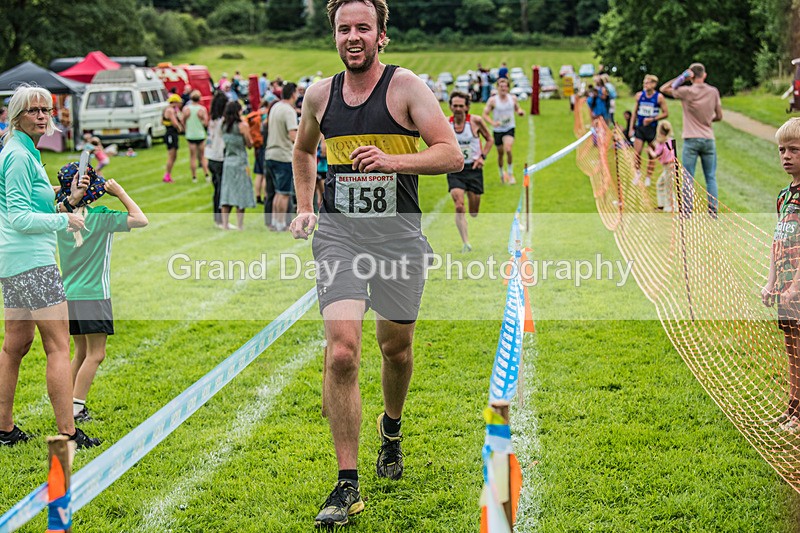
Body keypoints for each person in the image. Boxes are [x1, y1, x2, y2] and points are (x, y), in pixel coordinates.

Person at [290, 0, 462, 527]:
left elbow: (451, 154)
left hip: (398, 240)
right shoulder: (320, 95)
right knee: (342, 352)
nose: (353, 36)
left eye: (364, 27)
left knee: (397, 349)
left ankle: (391, 429)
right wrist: (304, 208)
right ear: (335, 36)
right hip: (340, 235)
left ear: (381, 35)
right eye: (344, 28)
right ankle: (347, 486)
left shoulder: (406, 88)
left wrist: (394, 161)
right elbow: (302, 153)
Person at [0, 85, 98, 448]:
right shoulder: (19, 156)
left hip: (16, 262)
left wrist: (66, 203)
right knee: (58, 347)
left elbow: (32, 211)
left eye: (46, 110)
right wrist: (65, 222)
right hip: (33, 262)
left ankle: (4, 429)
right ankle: (68, 432)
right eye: (33, 110)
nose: (42, 116)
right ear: (17, 116)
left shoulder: (22, 152)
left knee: (16, 345)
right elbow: (20, 218)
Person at [57, 178, 148, 422]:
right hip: (93, 295)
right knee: (96, 354)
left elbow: (58, 195)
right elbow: (141, 219)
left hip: (69, 295)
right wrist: (120, 192)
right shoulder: (100, 216)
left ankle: (68, 404)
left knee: (80, 352)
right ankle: (76, 407)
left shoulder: (60, 215)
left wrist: (66, 190)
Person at [761, 117, 800, 431]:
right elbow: (777, 241)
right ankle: (793, 406)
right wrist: (771, 282)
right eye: (782, 150)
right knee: (792, 350)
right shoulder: (783, 196)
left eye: (795, 150)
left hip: (797, 288)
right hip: (785, 286)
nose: (786, 156)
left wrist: (794, 286)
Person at [661, 63, 723, 215]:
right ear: (705, 75)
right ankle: (713, 210)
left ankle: (687, 211)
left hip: (691, 139)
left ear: (691, 76)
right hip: (708, 138)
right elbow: (719, 116)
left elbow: (664, 89)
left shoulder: (686, 91)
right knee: (710, 177)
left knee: (688, 176)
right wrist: (708, 120)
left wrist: (682, 77)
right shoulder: (713, 91)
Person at [447, 90, 493, 252]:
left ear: (467, 107)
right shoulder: (446, 123)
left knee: (473, 212)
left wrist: (482, 157)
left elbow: (489, 139)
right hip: (455, 169)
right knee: (459, 206)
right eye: (455, 106)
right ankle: (466, 242)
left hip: (473, 169)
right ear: (450, 107)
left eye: (461, 106)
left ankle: (468, 231)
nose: (458, 109)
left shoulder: (475, 121)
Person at [265, 82, 298, 231]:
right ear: (293, 94)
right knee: (284, 193)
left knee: (276, 192)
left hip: (270, 153)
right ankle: (281, 223)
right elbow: (292, 135)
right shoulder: (288, 111)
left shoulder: (275, 107)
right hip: (283, 155)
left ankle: (275, 221)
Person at [219, 101, 255, 230]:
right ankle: (240, 225)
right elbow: (249, 143)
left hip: (228, 161)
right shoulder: (242, 125)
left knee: (227, 192)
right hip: (240, 161)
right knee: (241, 191)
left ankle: (225, 224)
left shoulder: (223, 126)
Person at [482, 77, 524, 185]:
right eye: (501, 86)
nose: (503, 88)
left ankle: (510, 174)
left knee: (508, 149)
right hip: (498, 129)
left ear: (508, 88)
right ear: (497, 88)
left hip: (509, 128)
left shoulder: (513, 98)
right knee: (500, 154)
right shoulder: (493, 100)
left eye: (505, 86)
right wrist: (492, 123)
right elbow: (485, 114)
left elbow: (517, 108)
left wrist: (520, 111)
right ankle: (501, 174)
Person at [630, 74, 669, 187]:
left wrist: (652, 119)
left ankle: (648, 177)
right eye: (644, 83)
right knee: (637, 153)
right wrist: (632, 127)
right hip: (640, 128)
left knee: (652, 154)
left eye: (647, 83)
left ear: (654, 84)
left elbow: (666, 113)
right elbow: (635, 112)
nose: (645, 85)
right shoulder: (639, 96)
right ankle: (637, 174)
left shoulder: (659, 97)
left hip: (652, 129)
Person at [205, 91, 228, 228]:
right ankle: (220, 218)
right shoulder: (222, 122)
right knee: (221, 189)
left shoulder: (212, 120)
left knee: (217, 188)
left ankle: (217, 217)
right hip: (219, 156)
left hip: (211, 155)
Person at [647, 120, 676, 212]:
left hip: (668, 166)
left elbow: (656, 155)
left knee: (668, 186)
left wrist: (650, 150)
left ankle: (670, 206)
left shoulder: (662, 143)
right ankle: (662, 205)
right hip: (671, 165)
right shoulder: (670, 141)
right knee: (661, 184)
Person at [182, 90, 210, 183]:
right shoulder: (202, 109)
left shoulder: (186, 109)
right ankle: (206, 174)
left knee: (192, 157)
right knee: (202, 156)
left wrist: (186, 128)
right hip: (200, 134)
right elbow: (206, 123)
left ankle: (194, 177)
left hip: (191, 135)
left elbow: (183, 120)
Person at [162, 93, 184, 183]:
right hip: (171, 133)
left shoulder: (168, 109)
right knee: (171, 155)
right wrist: (180, 129)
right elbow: (175, 123)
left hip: (170, 133)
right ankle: (167, 175)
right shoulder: (170, 110)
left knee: (174, 155)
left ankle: (168, 175)